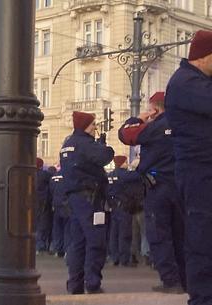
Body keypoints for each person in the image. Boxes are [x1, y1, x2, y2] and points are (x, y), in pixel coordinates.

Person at [119, 92, 186, 293]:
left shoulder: (154, 128)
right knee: (180, 236)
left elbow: (125, 134)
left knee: (159, 235)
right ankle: (185, 280)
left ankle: (170, 281)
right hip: (181, 187)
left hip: (158, 188)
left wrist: (139, 119)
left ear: (155, 109)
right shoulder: (184, 125)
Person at [165, 29, 212, 304]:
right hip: (199, 173)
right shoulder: (186, 83)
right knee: (202, 241)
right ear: (205, 57)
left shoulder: (195, 81)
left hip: (203, 172)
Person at [60, 111, 114, 294]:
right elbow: (105, 157)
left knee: (78, 243)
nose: (95, 129)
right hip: (91, 199)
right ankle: (92, 283)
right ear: (85, 126)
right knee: (96, 240)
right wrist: (104, 146)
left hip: (75, 200)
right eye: (93, 126)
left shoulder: (67, 144)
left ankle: (75, 284)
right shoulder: (85, 143)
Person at [106, 156, 142, 267]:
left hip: (113, 207)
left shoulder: (110, 176)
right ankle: (124, 258)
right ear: (121, 163)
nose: (127, 164)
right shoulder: (125, 175)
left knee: (114, 233)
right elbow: (139, 175)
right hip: (124, 207)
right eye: (126, 162)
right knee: (124, 234)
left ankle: (114, 257)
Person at [35, 158, 53, 254]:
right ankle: (40, 245)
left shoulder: (28, 175)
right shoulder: (44, 175)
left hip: (31, 202)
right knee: (42, 224)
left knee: (34, 224)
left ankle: (35, 245)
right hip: (43, 203)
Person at [49, 170, 69, 258]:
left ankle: (57, 249)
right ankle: (66, 250)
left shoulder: (54, 176)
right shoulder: (69, 174)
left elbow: (51, 190)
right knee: (67, 229)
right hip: (67, 205)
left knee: (57, 228)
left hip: (56, 204)